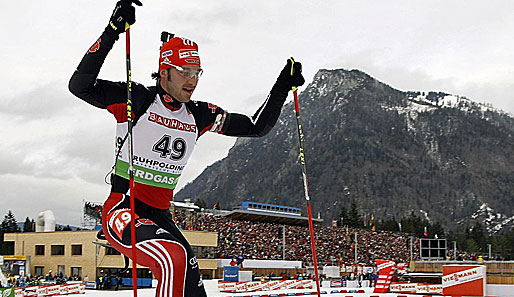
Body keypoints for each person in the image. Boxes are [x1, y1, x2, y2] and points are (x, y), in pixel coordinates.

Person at [68, 0, 304, 296]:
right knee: (173, 258)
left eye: (197, 72)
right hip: (122, 209)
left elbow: (256, 127)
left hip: (160, 215)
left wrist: (282, 85)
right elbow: (80, 86)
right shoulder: (136, 100)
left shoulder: (200, 115)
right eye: (184, 71)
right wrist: (113, 30)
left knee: (188, 273)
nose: (192, 80)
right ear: (164, 71)